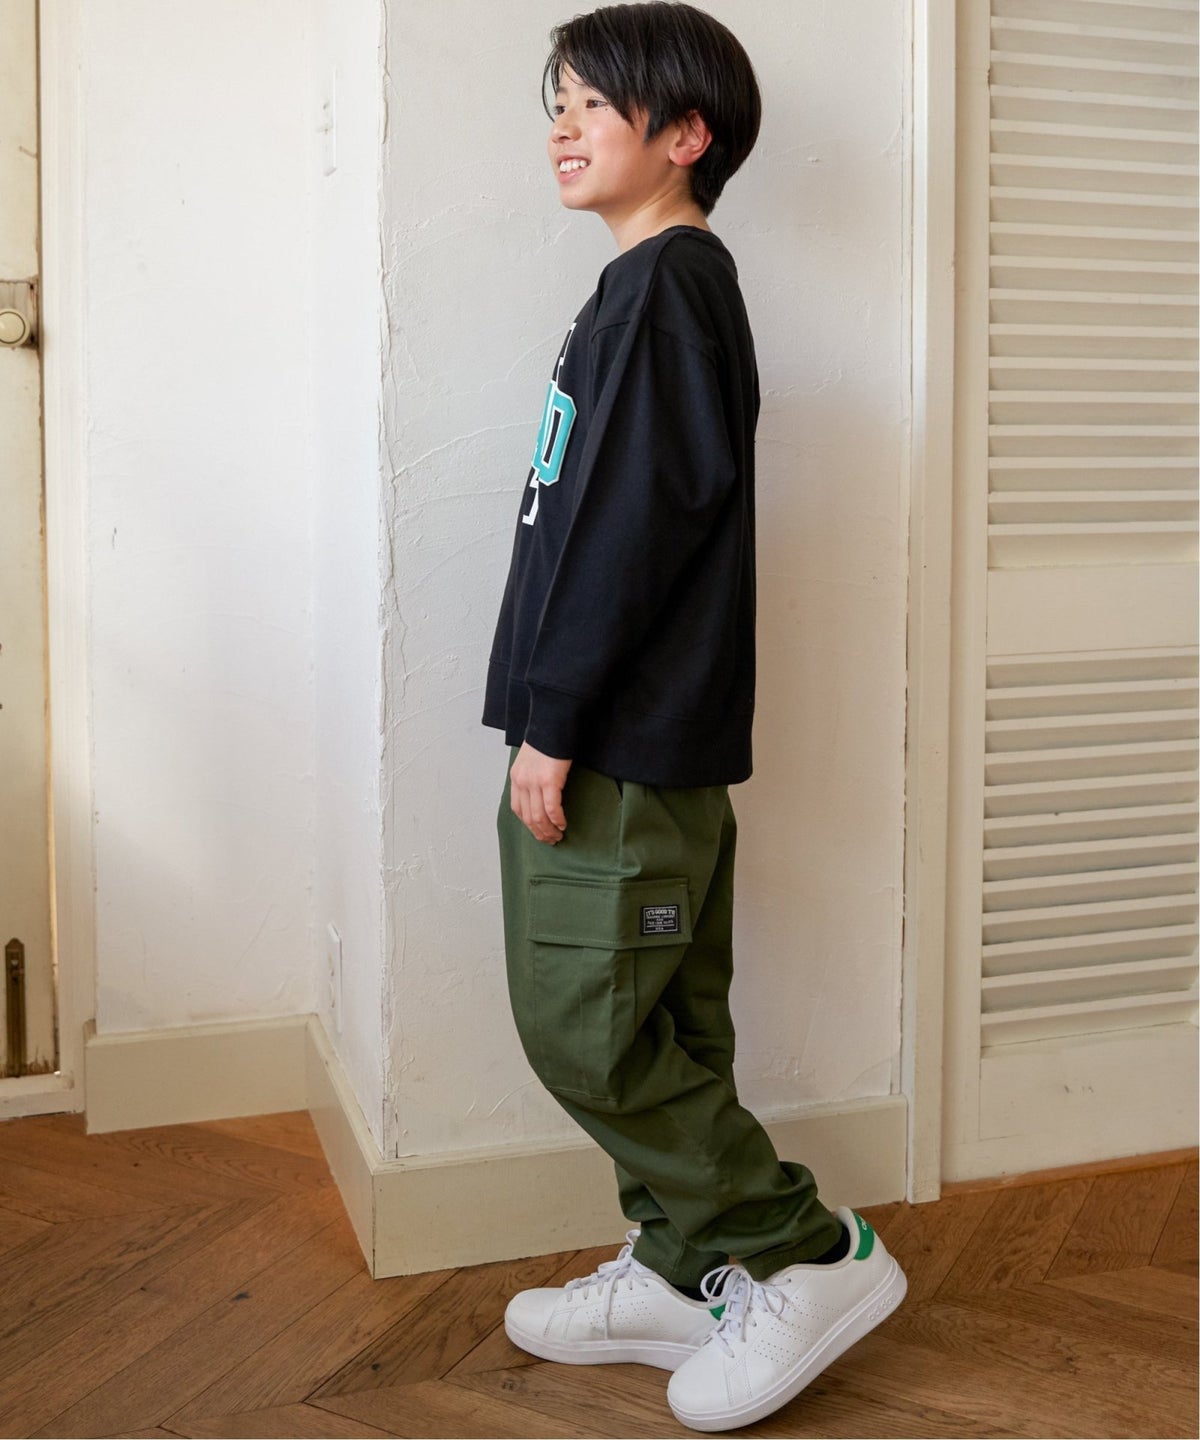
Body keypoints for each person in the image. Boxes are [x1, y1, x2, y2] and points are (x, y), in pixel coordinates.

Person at [480, 3, 906, 1430]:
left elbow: (631, 532)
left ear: (685, 134)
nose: (563, 122)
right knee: (661, 1025)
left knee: (587, 1034)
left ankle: (808, 1250)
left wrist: (555, 724)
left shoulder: (668, 287)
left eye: (593, 101)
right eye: (557, 100)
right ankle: (680, 1270)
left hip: (615, 744)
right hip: (631, 741)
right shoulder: (643, 287)